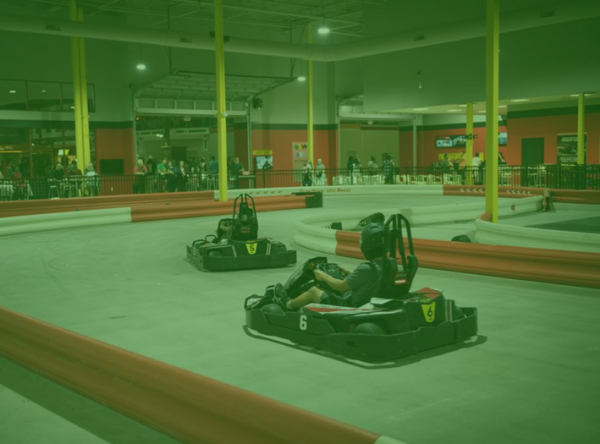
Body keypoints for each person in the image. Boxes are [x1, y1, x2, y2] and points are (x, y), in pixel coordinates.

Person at [273, 223, 385, 311]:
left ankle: (288, 304)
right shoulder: (386, 265)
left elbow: (341, 286)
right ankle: (301, 300)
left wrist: (323, 276)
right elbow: (369, 278)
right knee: (330, 285)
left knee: (314, 291)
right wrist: (349, 272)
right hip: (366, 300)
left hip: (349, 305)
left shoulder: (367, 268)